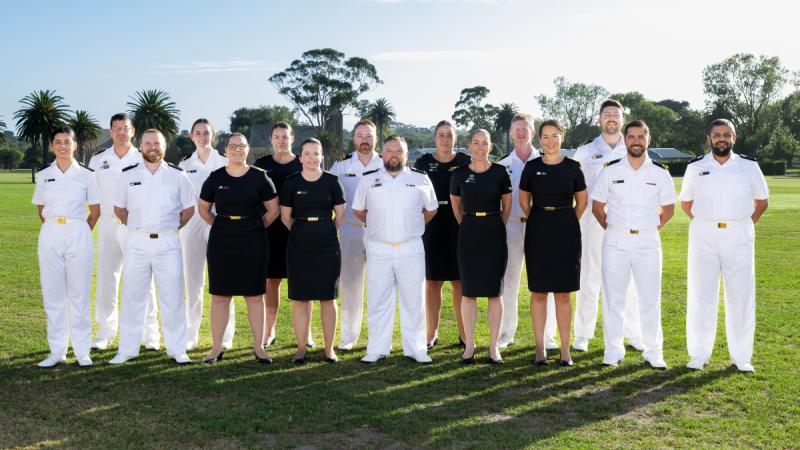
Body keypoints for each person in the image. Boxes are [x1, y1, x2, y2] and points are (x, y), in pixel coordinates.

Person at [680, 119, 769, 373]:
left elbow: (762, 202)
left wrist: (741, 224)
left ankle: (742, 357)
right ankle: (699, 354)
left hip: (739, 235)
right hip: (704, 235)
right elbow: (686, 203)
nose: (722, 138)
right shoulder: (696, 167)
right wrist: (710, 223)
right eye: (717, 134)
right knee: (701, 295)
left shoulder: (748, 166)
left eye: (726, 134)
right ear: (709, 138)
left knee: (740, 296)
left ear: (734, 137)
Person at [591, 120, 675, 369]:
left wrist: (650, 228)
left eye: (641, 137)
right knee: (613, 298)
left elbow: (669, 210)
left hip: (648, 240)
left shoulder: (660, 172)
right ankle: (613, 350)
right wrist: (615, 228)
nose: (636, 141)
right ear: (625, 140)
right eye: (631, 137)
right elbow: (597, 207)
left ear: (648, 139)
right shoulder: (610, 170)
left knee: (650, 297)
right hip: (615, 239)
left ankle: (653, 351)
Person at [109, 129, 195, 365]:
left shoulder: (178, 175)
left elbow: (189, 209)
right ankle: (127, 349)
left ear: (165, 146)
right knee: (132, 297)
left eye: (157, 143)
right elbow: (119, 209)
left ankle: (177, 349)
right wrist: (139, 227)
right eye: (148, 143)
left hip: (168, 242)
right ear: (140, 146)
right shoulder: (127, 175)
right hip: (136, 241)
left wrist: (171, 228)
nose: (152, 147)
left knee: (173, 297)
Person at [353, 135, 438, 364]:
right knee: (378, 300)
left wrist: (412, 226)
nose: (393, 154)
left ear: (406, 154)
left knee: (414, 301)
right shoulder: (369, 180)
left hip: (410, 247)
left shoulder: (420, 179)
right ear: (382, 153)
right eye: (389, 150)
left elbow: (430, 210)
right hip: (378, 248)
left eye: (399, 151)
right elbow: (359, 210)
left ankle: (416, 348)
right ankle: (377, 348)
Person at [198, 133, 279, 364]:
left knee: (254, 296)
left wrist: (255, 226)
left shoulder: (260, 178)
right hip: (222, 241)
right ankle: (215, 349)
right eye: (233, 147)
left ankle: (259, 348)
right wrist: (221, 225)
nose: (237, 150)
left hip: (253, 241)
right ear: (225, 150)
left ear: (247, 149)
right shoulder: (215, 178)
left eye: (241, 146)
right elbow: (203, 208)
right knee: (221, 296)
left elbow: (272, 210)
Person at [572, 100, 643, 352]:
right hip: (593, 224)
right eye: (607, 114)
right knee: (588, 279)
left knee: (629, 281)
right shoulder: (585, 151)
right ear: (599, 120)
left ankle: (633, 333)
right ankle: (582, 335)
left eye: (616, 114)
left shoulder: (634, 149)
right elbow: (576, 190)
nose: (611, 118)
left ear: (622, 119)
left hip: (626, 225)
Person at [88, 113, 160, 351]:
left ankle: (149, 333)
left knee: (143, 280)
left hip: (137, 226)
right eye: (116, 128)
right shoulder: (98, 160)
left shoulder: (143, 158)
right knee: (108, 278)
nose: (120, 132)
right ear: (110, 132)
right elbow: (91, 195)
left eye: (125, 128)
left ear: (133, 132)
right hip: (109, 224)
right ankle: (105, 332)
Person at [519, 120, 587, 366]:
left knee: (563, 294)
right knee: (538, 292)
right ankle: (540, 349)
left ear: (562, 137)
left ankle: (565, 350)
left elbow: (581, 203)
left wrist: (565, 220)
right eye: (545, 136)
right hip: (538, 230)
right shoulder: (532, 167)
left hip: (567, 231)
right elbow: (524, 199)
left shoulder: (573, 167)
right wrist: (541, 217)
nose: (550, 140)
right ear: (540, 140)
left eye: (554, 135)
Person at [33, 127, 101, 367]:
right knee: (53, 294)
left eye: (67, 142)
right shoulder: (44, 174)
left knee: (79, 295)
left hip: (78, 232)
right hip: (51, 233)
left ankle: (83, 351)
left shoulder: (86, 175)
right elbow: (41, 209)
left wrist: (78, 231)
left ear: (75, 145)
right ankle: (57, 351)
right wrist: (57, 227)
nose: (63, 146)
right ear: (52, 146)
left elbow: (95, 212)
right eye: (58, 142)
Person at [280, 138, 346, 364]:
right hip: (299, 244)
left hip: (327, 243)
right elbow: (285, 218)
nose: (311, 158)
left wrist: (324, 230)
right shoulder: (291, 182)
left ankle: (329, 349)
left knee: (328, 298)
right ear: (300, 157)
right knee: (301, 298)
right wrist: (303, 230)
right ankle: (300, 349)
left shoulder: (332, 181)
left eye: (316, 153)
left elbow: (341, 216)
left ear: (322, 156)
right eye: (307, 154)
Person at [450, 129, 512, 364]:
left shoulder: (500, 172)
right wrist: (469, 224)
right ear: (469, 145)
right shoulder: (459, 174)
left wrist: (494, 224)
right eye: (475, 143)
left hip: (494, 232)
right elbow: (456, 207)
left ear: (490, 146)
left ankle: (494, 347)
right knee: (469, 292)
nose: (479, 147)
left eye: (484, 143)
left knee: (494, 292)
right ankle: (470, 345)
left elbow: (507, 206)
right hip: (468, 233)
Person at [496, 114, 557, 350]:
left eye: (526, 129)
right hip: (511, 226)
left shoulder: (545, 160)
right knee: (509, 282)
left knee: (545, 282)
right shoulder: (502, 165)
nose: (521, 133)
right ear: (511, 133)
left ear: (533, 132)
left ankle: (548, 335)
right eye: (517, 129)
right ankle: (506, 333)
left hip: (539, 227)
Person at [253, 122, 313, 349]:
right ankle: (269, 331)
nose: (280, 141)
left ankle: (305, 334)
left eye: (284, 137)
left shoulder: (301, 162)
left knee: (304, 282)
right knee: (271, 281)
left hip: (297, 230)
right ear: (271, 140)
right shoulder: (262, 164)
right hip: (270, 230)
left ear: (292, 138)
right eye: (276, 137)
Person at [413, 120, 470, 348]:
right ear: (434, 138)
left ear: (455, 138)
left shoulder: (465, 162)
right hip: (432, 224)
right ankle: (431, 332)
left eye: (449, 135)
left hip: (459, 223)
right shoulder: (424, 162)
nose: (445, 139)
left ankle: (464, 333)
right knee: (432, 282)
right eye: (441, 135)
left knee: (459, 282)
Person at [179, 118, 234, 351]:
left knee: (223, 280)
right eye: (198, 133)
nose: (202, 137)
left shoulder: (225, 162)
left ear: (214, 135)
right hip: (192, 224)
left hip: (218, 223)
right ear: (191, 136)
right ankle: (191, 334)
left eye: (206, 133)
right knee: (193, 281)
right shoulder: (183, 166)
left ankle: (226, 336)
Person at [330, 119, 383, 350]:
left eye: (369, 136)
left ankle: (378, 338)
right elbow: (329, 194)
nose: (365, 140)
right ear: (354, 139)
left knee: (380, 286)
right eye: (360, 135)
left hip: (380, 233)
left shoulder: (385, 164)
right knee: (350, 286)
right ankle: (349, 337)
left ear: (376, 139)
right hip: (350, 232)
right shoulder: (341, 166)